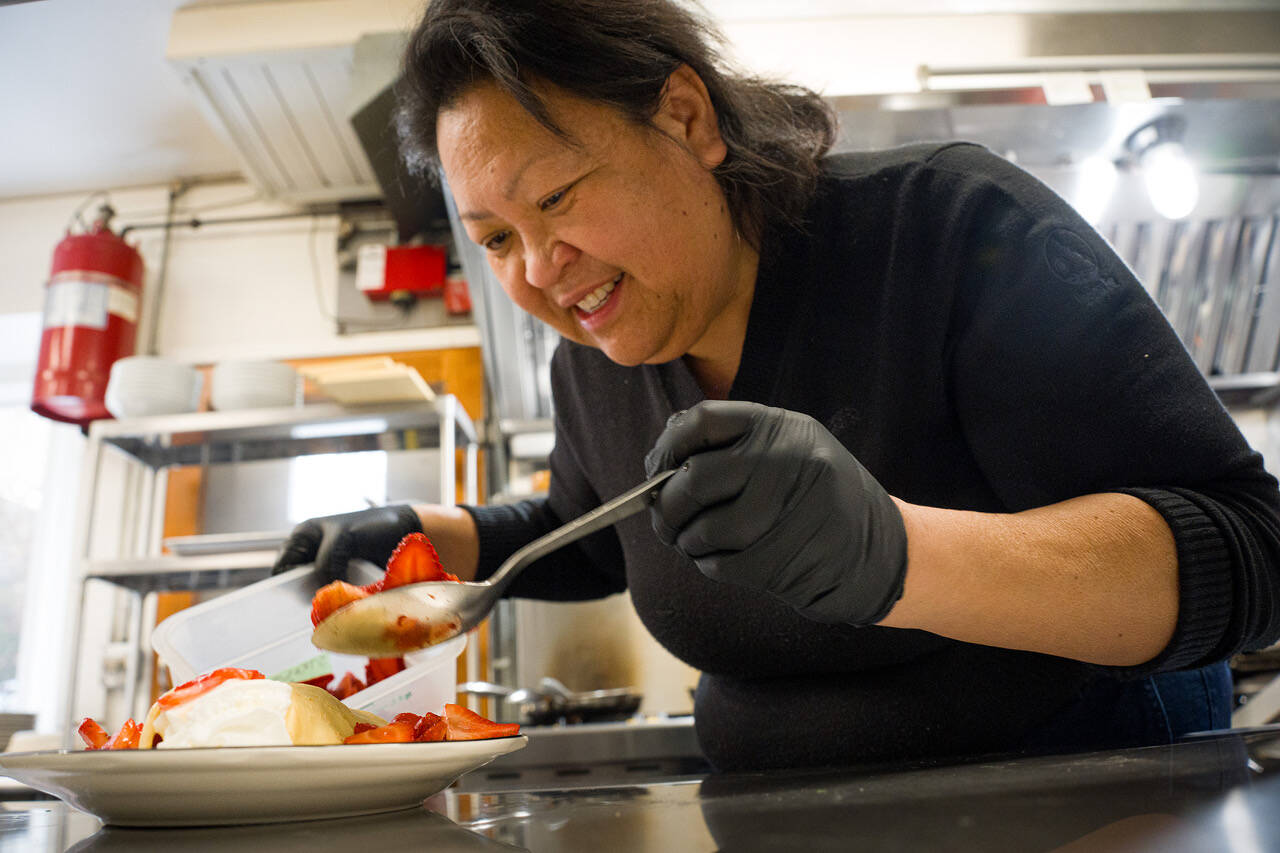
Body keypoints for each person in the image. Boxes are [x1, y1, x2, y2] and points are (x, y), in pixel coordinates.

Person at [275, 0, 1280, 772]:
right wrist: (419, 533)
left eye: (557, 197)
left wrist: (894, 553)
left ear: (684, 116)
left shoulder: (943, 231)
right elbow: (588, 523)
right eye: (496, 237)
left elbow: (1250, 550)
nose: (537, 268)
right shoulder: (589, 361)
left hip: (1084, 798)